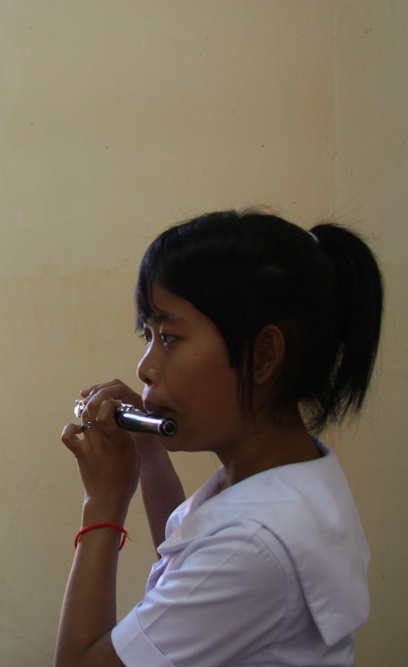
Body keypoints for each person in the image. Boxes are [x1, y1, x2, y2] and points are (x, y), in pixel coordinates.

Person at [54, 210, 383, 666]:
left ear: (263, 356)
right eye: (147, 335)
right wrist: (148, 458)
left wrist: (103, 506)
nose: (145, 368)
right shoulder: (290, 478)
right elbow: (186, 555)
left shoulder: (253, 544)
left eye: (168, 337)